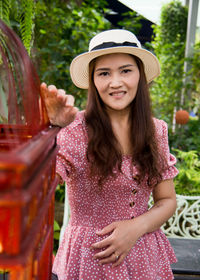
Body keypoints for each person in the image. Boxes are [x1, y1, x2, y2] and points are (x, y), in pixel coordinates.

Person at [41, 29, 179, 280]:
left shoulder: (156, 130)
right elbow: (41, 186)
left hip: (143, 257)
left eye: (126, 70)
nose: (115, 82)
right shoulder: (75, 129)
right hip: (88, 259)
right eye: (104, 73)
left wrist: (135, 227)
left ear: (140, 75)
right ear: (93, 80)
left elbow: (167, 200)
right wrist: (52, 131)